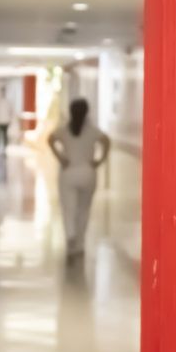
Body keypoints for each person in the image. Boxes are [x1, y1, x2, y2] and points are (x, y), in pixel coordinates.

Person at [48, 99, 111, 260]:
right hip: (88, 173)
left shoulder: (64, 130)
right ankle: (80, 245)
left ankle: (70, 237)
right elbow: (106, 141)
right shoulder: (92, 131)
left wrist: (60, 158)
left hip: (68, 172)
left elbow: (50, 139)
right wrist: (99, 160)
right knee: (84, 209)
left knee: (68, 208)